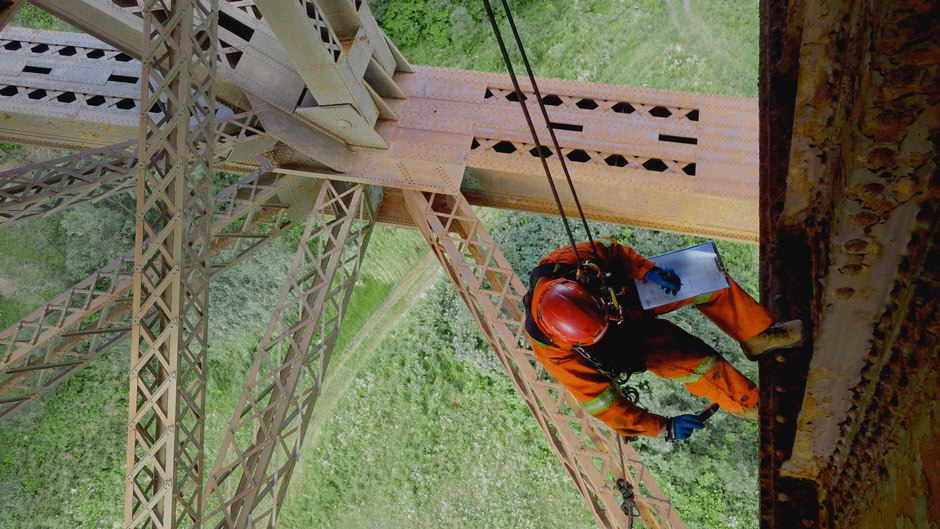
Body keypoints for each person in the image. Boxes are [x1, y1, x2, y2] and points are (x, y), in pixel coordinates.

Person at [523, 237, 803, 440]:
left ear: (578, 285)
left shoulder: (564, 264)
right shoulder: (553, 353)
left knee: (702, 273)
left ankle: (758, 336)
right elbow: (603, 403)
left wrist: (647, 271)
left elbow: (612, 250)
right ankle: (749, 403)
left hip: (621, 296)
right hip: (623, 343)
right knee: (695, 362)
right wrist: (661, 427)